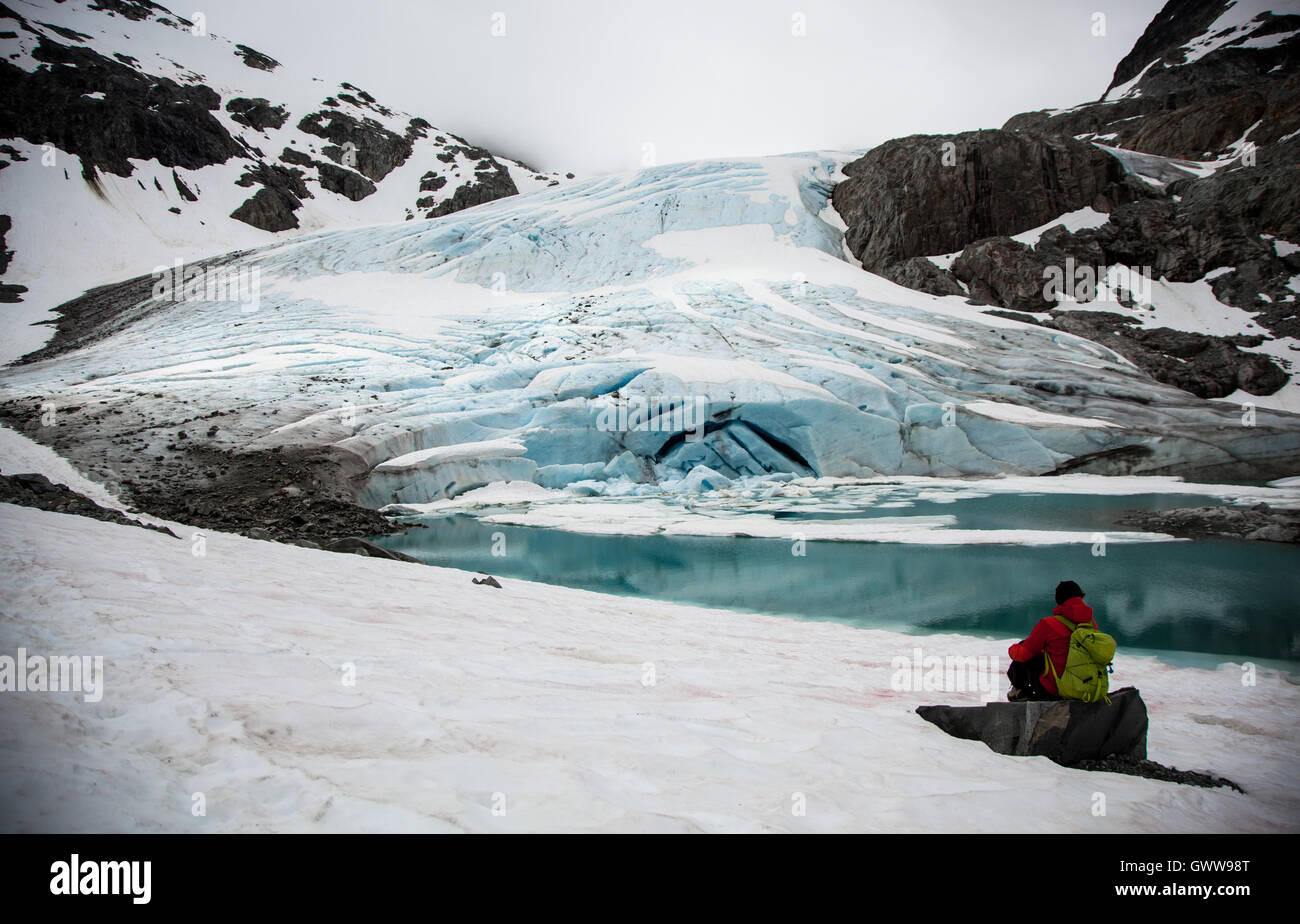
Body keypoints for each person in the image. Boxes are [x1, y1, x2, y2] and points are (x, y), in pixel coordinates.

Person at [1006, 580, 1096, 702]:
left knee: (1026, 651)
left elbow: (1023, 654)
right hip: (1088, 688)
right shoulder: (1091, 624)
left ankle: (1019, 691)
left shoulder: (1049, 625)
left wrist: (1012, 650)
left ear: (1058, 599)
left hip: (1057, 690)